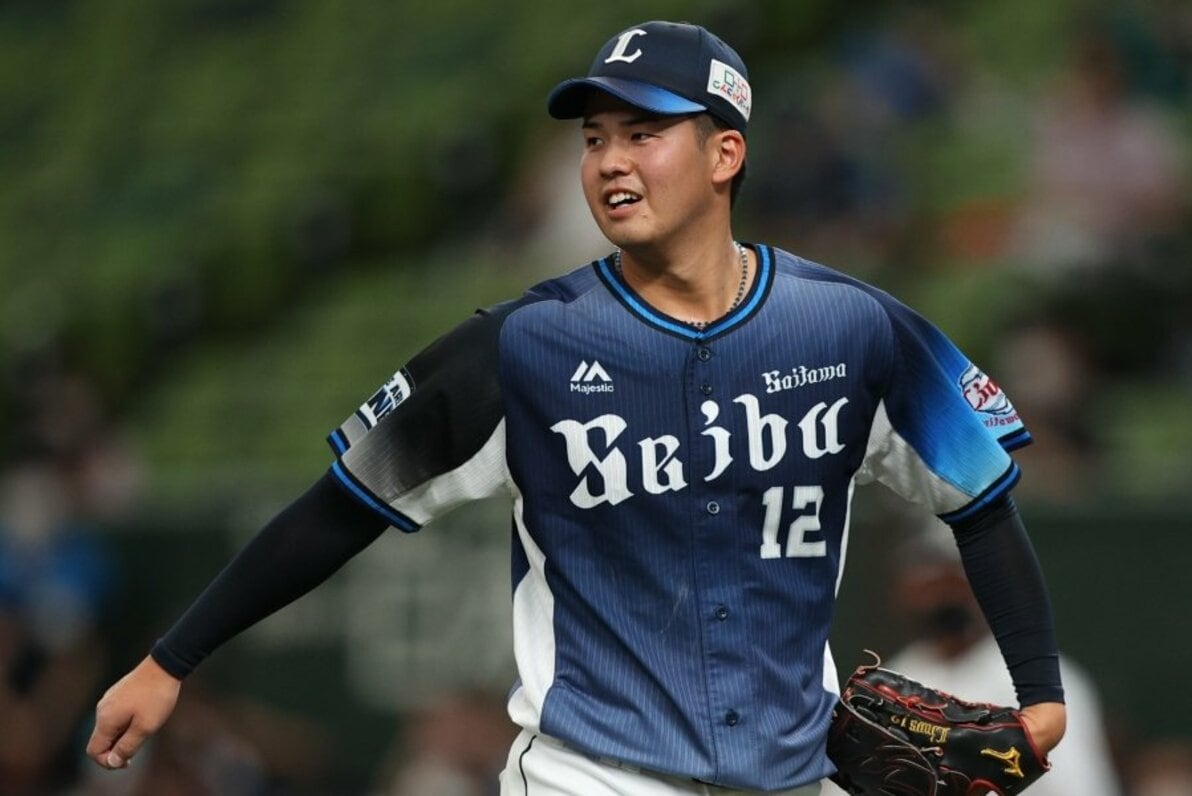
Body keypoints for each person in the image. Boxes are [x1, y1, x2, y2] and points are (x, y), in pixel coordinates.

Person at [88, 20, 1067, 794]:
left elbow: (980, 500)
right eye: (594, 136)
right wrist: (172, 659)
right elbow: (342, 505)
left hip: (793, 777)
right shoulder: (522, 347)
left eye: (643, 131)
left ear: (725, 152)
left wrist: (1040, 695)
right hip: (591, 775)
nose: (607, 160)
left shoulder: (856, 331)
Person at [886, 519, 1120, 796]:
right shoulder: (889, 681)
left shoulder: (1042, 679)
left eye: (954, 580)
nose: (943, 593)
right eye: (932, 580)